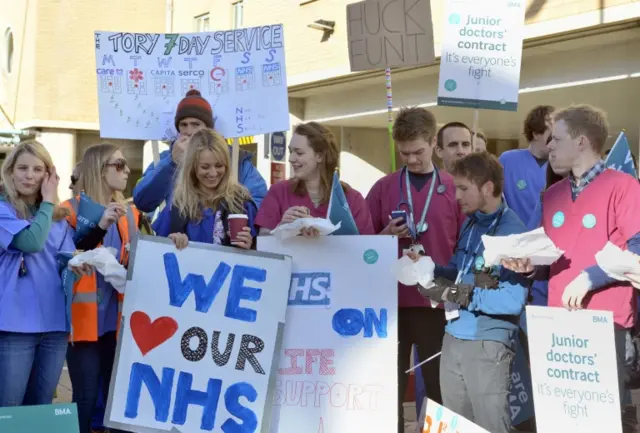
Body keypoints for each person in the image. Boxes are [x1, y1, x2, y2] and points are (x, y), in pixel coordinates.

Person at [502, 105, 640, 430]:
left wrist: (592, 277)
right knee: (562, 420)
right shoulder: (551, 195)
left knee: (603, 423)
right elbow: (541, 256)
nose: (549, 147)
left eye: (557, 139)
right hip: (556, 326)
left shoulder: (624, 187)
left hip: (605, 325)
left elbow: (637, 248)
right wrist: (526, 265)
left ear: (581, 142)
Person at [365, 107, 463, 433]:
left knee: (438, 384)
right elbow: (361, 247)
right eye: (404, 153)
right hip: (390, 302)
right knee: (388, 381)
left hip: (436, 303)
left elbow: (464, 245)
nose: (411, 160)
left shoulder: (453, 187)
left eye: (418, 152)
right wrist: (383, 236)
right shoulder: (383, 187)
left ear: (434, 142)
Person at [417, 152, 528, 433]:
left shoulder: (512, 233)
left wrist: (452, 293)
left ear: (488, 188)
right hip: (454, 334)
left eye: (464, 188)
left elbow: (511, 301)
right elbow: (460, 267)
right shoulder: (472, 221)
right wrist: (430, 268)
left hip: (487, 343)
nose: (457, 196)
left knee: (491, 426)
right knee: (455, 426)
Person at [61, 144, 144, 433]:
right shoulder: (68, 211)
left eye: (125, 165)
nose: (126, 171)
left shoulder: (131, 214)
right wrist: (98, 225)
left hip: (118, 322)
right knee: (84, 399)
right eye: (118, 165)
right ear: (99, 169)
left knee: (116, 399)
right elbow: (65, 255)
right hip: (82, 322)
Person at [0, 142, 82, 407]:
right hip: (14, 327)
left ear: (47, 175)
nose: (29, 175)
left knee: (40, 408)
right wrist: (49, 200)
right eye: (22, 168)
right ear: (10, 172)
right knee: (9, 408)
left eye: (37, 169)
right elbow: (30, 242)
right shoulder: (2, 210)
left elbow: (66, 260)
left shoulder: (58, 218)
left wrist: (79, 265)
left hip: (56, 325)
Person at [132, 89, 267, 213]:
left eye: (196, 124)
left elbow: (260, 202)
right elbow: (142, 202)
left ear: (208, 128)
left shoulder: (236, 159)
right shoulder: (165, 159)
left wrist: (228, 215)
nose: (189, 131)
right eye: (183, 125)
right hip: (179, 236)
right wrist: (171, 163)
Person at [256, 122, 374, 235]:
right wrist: (283, 227)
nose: (291, 158)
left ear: (320, 156)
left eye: (299, 153)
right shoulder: (279, 192)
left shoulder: (352, 200)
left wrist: (322, 232)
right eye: (290, 151)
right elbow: (262, 241)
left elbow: (366, 248)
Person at [154, 128, 255, 250]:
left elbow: (262, 257)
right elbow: (157, 250)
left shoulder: (241, 204)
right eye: (205, 167)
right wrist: (172, 241)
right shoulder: (177, 206)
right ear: (192, 167)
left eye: (219, 166)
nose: (213, 173)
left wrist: (250, 246)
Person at [500, 105, 555, 231]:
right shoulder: (508, 161)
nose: (555, 141)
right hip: (513, 238)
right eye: (552, 135)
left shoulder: (561, 167)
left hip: (547, 240)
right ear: (536, 134)